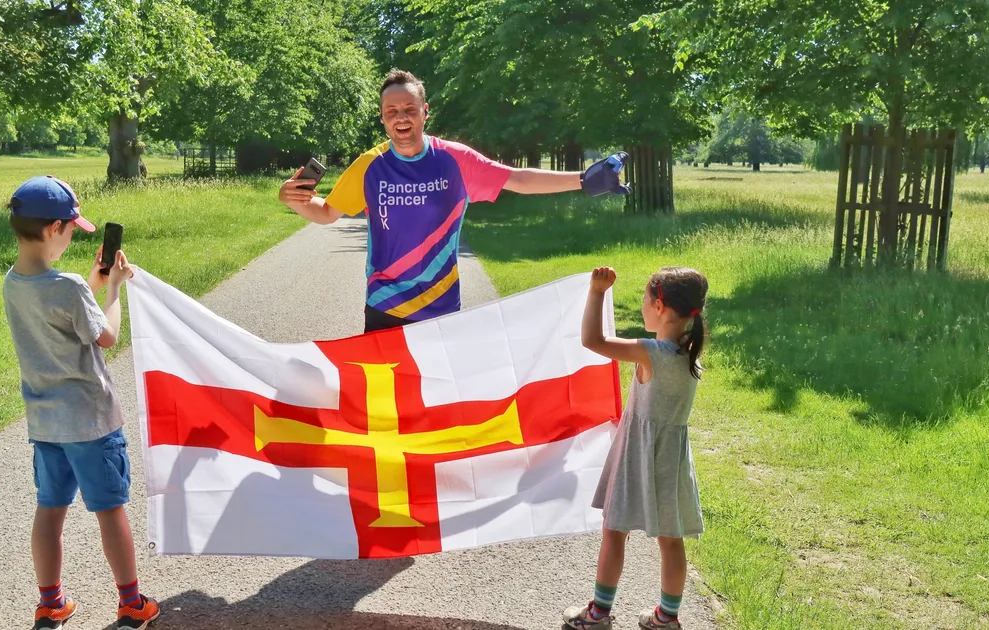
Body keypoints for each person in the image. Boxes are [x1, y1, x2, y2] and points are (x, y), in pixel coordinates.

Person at [279, 68, 630, 332]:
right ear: (383, 117)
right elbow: (326, 213)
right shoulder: (370, 166)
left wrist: (583, 181)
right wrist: (292, 197)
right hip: (384, 304)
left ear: (424, 111)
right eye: (391, 111)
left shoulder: (455, 160)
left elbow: (517, 179)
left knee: (437, 414)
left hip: (441, 308)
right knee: (386, 411)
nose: (401, 117)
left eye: (409, 109)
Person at [2, 175, 160, 630]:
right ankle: (131, 603)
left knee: (50, 509)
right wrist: (112, 290)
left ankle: (50, 603)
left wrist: (90, 283)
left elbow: (64, 316)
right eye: (71, 229)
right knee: (109, 509)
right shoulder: (69, 286)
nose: (72, 236)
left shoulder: (13, 282)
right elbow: (106, 336)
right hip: (91, 422)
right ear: (54, 229)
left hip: (46, 423)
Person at [563, 265, 709, 630]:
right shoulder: (689, 357)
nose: (641, 306)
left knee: (614, 532)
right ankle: (667, 618)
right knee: (671, 541)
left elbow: (592, 341)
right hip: (671, 461)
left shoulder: (651, 352)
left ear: (659, 305)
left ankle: (598, 614)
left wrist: (597, 291)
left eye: (645, 299)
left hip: (637, 456)